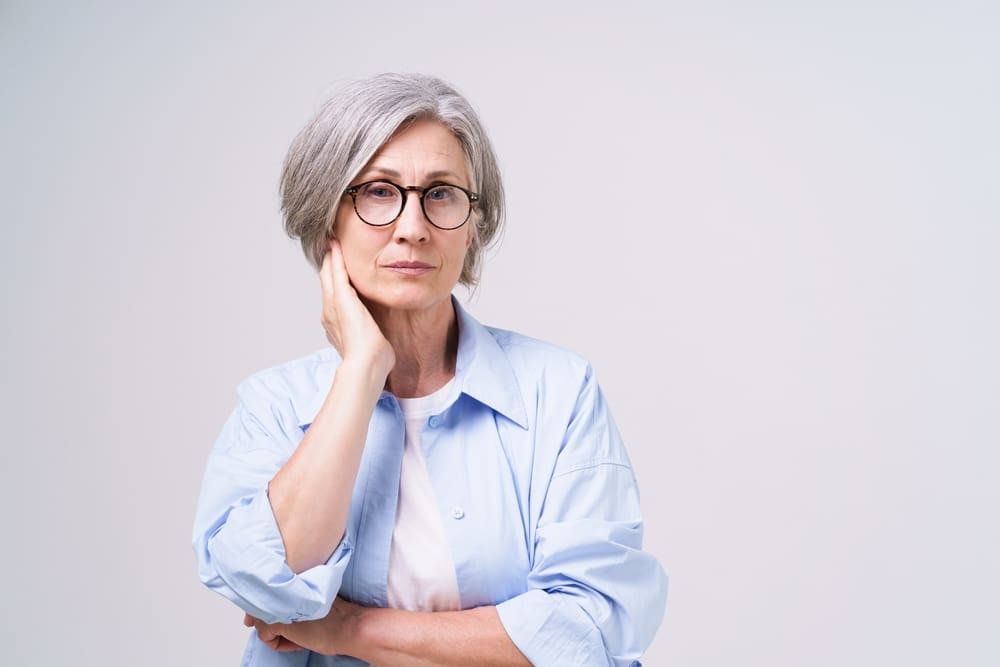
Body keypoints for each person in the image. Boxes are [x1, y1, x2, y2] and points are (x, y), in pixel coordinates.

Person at [192, 72, 667, 666]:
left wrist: (345, 630)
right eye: (377, 192)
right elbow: (265, 584)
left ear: (473, 226)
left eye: (441, 193)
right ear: (326, 219)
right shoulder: (276, 405)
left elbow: (588, 631)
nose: (412, 227)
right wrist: (363, 369)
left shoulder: (558, 391)